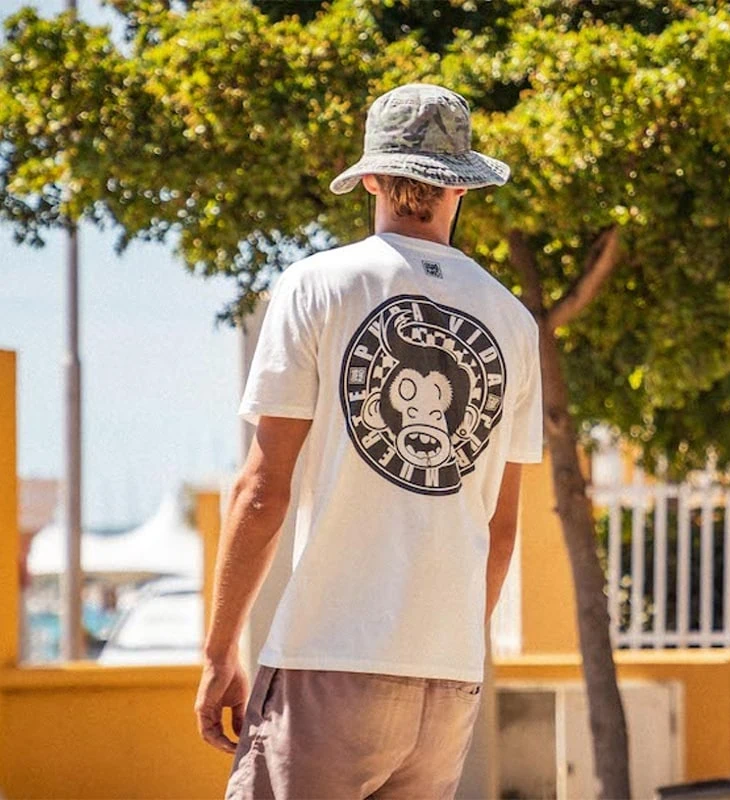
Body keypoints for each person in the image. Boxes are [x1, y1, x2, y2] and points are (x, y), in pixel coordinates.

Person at [195, 83, 544, 800]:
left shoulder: (318, 286)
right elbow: (501, 529)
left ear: (375, 177)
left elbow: (263, 490)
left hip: (329, 657)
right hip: (447, 681)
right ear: (462, 187)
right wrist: (441, 642)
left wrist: (219, 649)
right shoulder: (512, 322)